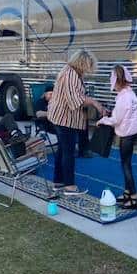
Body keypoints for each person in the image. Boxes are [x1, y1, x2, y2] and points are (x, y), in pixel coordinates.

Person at [47, 50, 104, 196]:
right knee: (68, 152)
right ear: (83, 63)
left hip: (60, 117)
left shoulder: (70, 72)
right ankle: (69, 186)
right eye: (89, 65)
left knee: (62, 150)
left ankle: (58, 182)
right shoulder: (70, 75)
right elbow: (75, 102)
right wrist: (94, 102)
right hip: (64, 119)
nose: (89, 69)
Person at [97, 65, 137, 209]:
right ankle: (128, 192)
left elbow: (116, 119)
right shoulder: (130, 93)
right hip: (131, 132)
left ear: (116, 80)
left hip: (127, 134)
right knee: (126, 164)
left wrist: (102, 120)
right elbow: (123, 114)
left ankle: (134, 198)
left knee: (126, 165)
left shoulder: (124, 97)